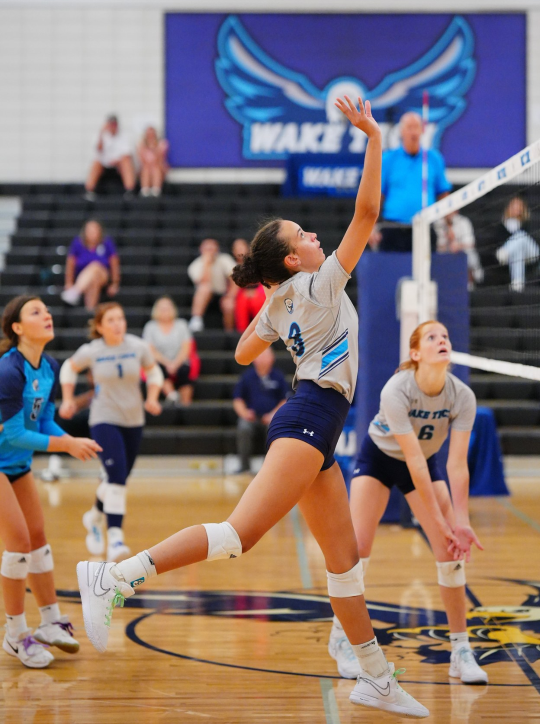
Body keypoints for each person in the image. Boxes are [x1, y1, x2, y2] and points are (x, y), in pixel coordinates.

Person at [76, 96, 431, 719]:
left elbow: (243, 351)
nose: (315, 236)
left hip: (314, 421)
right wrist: (373, 138)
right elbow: (368, 211)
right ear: (294, 259)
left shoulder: (282, 298)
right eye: (304, 235)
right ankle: (115, 576)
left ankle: (375, 678)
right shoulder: (320, 284)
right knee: (238, 536)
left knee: (344, 561)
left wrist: (273, 313)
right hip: (310, 416)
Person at [327, 320, 487, 685]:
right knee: (357, 550)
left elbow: (457, 465)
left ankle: (461, 651)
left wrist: (460, 521)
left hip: (425, 463)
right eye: (432, 337)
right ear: (415, 353)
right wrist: (439, 522)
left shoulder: (462, 396)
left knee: (450, 553)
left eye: (445, 336)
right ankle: (341, 637)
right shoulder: (396, 389)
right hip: (380, 459)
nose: (442, 340)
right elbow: (411, 460)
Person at [0, 294, 101, 668]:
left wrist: (69, 440)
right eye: (36, 312)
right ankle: (14, 635)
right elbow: (13, 434)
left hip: (17, 465)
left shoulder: (49, 367)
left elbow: (43, 422)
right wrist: (66, 444)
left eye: (46, 310)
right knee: (18, 544)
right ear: (17, 327)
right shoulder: (9, 370)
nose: (46, 315)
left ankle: (50, 621)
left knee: (38, 540)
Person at [58, 303, 163, 563]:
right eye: (111, 320)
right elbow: (69, 368)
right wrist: (68, 399)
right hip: (103, 419)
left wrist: (152, 397)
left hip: (134, 420)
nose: (118, 324)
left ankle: (94, 516)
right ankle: (115, 538)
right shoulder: (92, 350)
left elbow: (154, 372)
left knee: (116, 478)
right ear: (100, 326)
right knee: (116, 479)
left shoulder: (137, 346)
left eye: (121, 318)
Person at [377, 111, 451, 252]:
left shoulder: (433, 158)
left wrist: (450, 225)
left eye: (416, 127)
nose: (413, 132)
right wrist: (371, 227)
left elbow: (443, 194)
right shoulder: (388, 159)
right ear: (401, 131)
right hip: (393, 229)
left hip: (425, 227)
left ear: (422, 130)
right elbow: (378, 195)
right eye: (409, 127)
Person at [232, 347, 289, 472]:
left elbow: (284, 400)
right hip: (251, 417)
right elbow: (237, 399)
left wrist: (273, 415)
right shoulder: (247, 376)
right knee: (243, 427)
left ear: (272, 358)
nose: (262, 359)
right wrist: (245, 413)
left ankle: (269, 468)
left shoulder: (278, 376)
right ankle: (244, 466)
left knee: (273, 429)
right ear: (254, 359)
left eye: (266, 356)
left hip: (271, 417)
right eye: (260, 356)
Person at [142, 297, 196, 406]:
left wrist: (175, 364)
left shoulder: (181, 325)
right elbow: (150, 350)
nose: (165, 311)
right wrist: (167, 363)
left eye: (167, 308)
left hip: (180, 360)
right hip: (160, 361)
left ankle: (186, 404)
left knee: (184, 371)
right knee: (158, 370)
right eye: (162, 309)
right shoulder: (150, 326)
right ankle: (172, 396)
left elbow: (186, 347)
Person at [62, 221, 121, 310]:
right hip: (84, 276)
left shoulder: (107, 242)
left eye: (94, 231)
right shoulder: (77, 243)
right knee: (94, 280)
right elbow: (70, 264)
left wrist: (115, 283)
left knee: (95, 266)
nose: (92, 233)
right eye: (89, 231)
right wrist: (68, 282)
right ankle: (90, 311)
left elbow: (114, 263)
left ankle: (75, 291)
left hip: (103, 274)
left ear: (100, 232)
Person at [187, 239, 237, 333]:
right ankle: (196, 319)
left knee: (229, 305)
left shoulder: (225, 259)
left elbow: (234, 280)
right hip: (204, 297)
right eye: (207, 249)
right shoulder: (195, 265)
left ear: (217, 249)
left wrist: (230, 296)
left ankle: (229, 333)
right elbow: (204, 281)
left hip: (223, 294)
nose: (210, 251)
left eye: (212, 248)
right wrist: (207, 264)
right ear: (201, 249)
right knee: (205, 288)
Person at [84, 115, 135, 200]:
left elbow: (127, 154)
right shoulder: (102, 136)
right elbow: (99, 150)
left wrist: (116, 161)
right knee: (96, 163)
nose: (113, 127)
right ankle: (89, 191)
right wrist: (101, 133)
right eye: (111, 124)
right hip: (104, 165)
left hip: (118, 164)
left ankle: (129, 190)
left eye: (114, 124)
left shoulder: (124, 136)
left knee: (126, 162)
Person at [433, 211, 483, 288]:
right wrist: (449, 245)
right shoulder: (437, 223)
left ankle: (469, 285)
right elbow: (439, 247)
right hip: (446, 257)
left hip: (464, 255)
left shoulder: (464, 221)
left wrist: (458, 246)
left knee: (469, 255)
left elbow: (470, 243)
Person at [137, 126, 169, 197]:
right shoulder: (141, 145)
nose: (150, 136)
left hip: (159, 168)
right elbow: (142, 161)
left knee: (155, 167)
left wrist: (154, 148)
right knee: (146, 168)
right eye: (149, 134)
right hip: (146, 169)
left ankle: (156, 189)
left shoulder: (162, 144)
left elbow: (160, 159)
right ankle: (145, 189)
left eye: (152, 134)